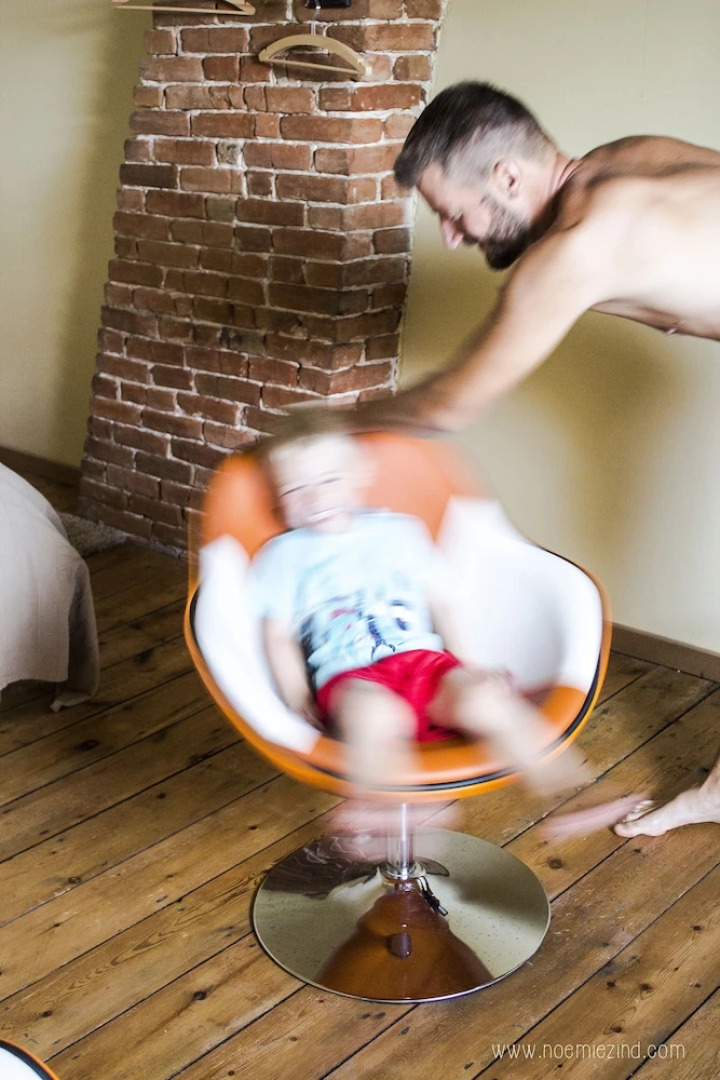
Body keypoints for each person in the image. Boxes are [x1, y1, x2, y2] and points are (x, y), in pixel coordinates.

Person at [356, 81, 720, 836]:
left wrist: (334, 426)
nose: (453, 236)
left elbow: (448, 405)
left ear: (509, 177)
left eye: (453, 212)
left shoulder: (577, 248)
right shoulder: (624, 159)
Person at [249, 411, 580, 824]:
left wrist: (467, 664)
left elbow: (441, 602)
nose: (315, 499)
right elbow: (277, 633)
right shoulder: (284, 555)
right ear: (278, 496)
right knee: (373, 716)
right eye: (295, 489)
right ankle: (385, 806)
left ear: (358, 475)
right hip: (350, 674)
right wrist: (295, 695)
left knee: (485, 699)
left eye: (329, 480)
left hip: (424, 661)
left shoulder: (398, 531)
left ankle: (571, 792)